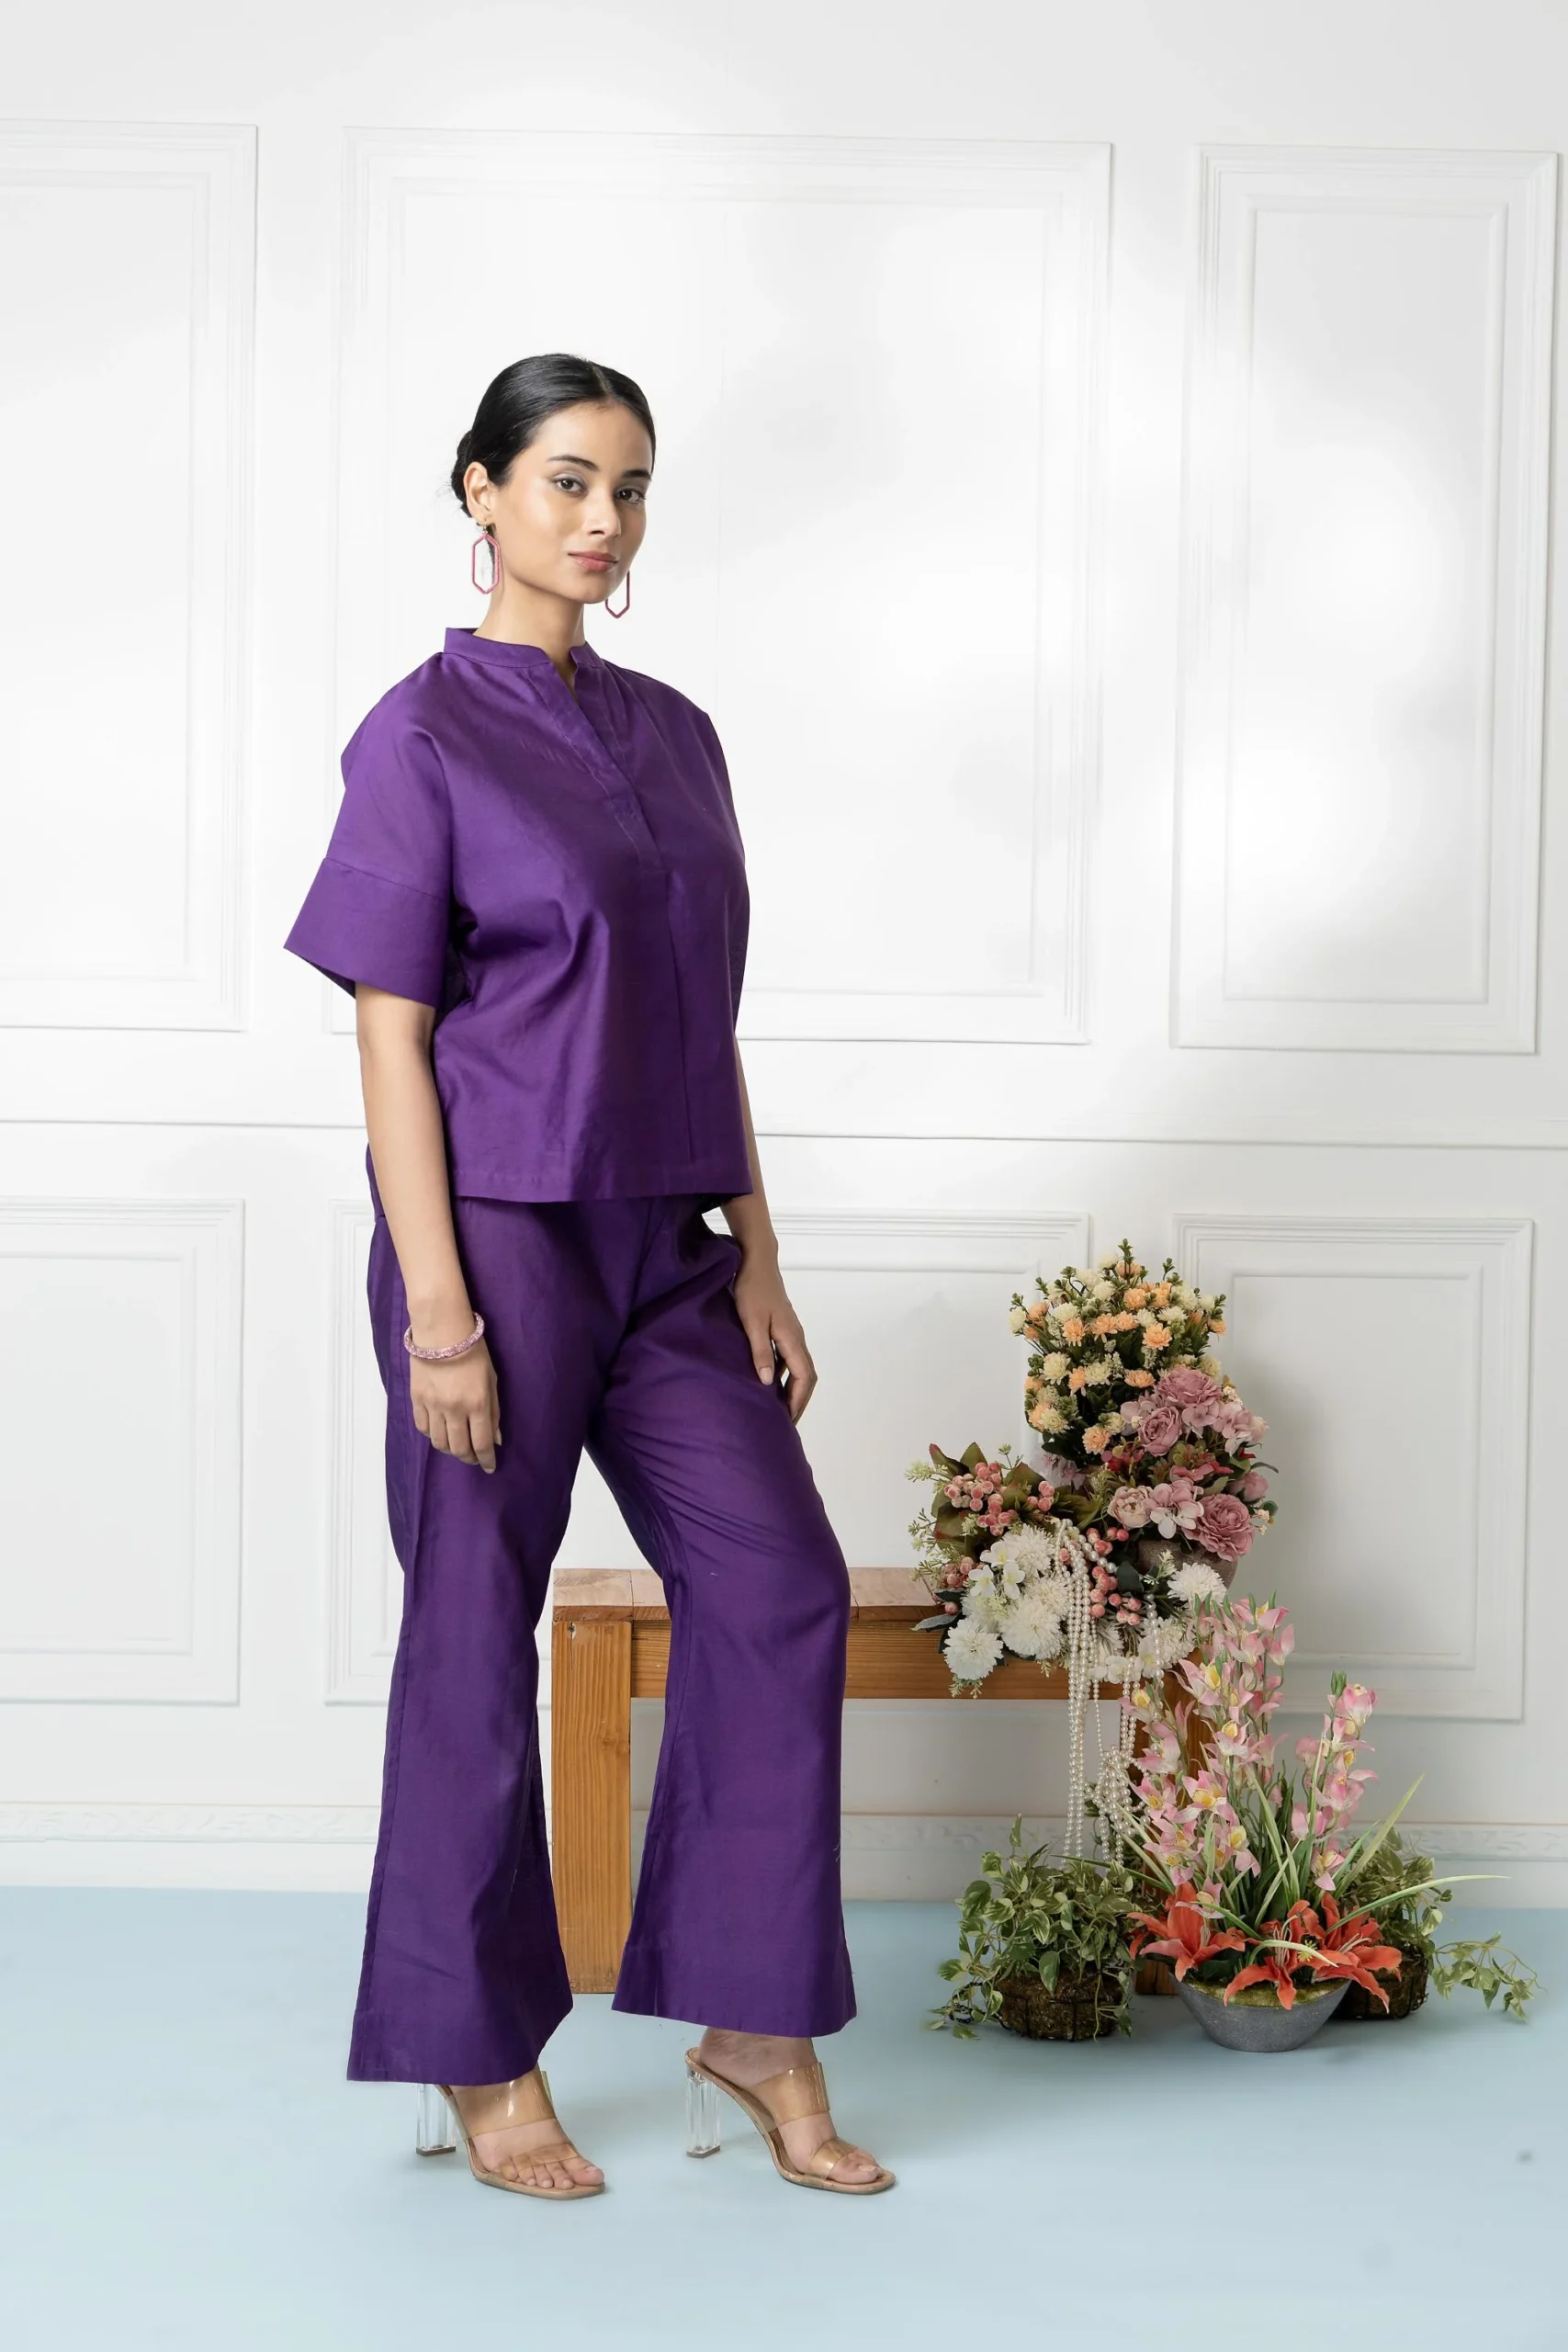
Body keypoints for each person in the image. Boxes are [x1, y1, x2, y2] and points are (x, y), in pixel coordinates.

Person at [283, 353, 894, 2199]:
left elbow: (703, 1017)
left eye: (628, 486)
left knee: (779, 1582)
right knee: (473, 1634)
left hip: (667, 1250)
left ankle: (750, 2019)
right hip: (497, 1243)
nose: (602, 518)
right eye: (564, 479)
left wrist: (758, 1250)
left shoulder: (679, 734)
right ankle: (480, 2054)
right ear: (481, 490)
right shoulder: (416, 736)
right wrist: (439, 1312)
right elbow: (389, 1037)